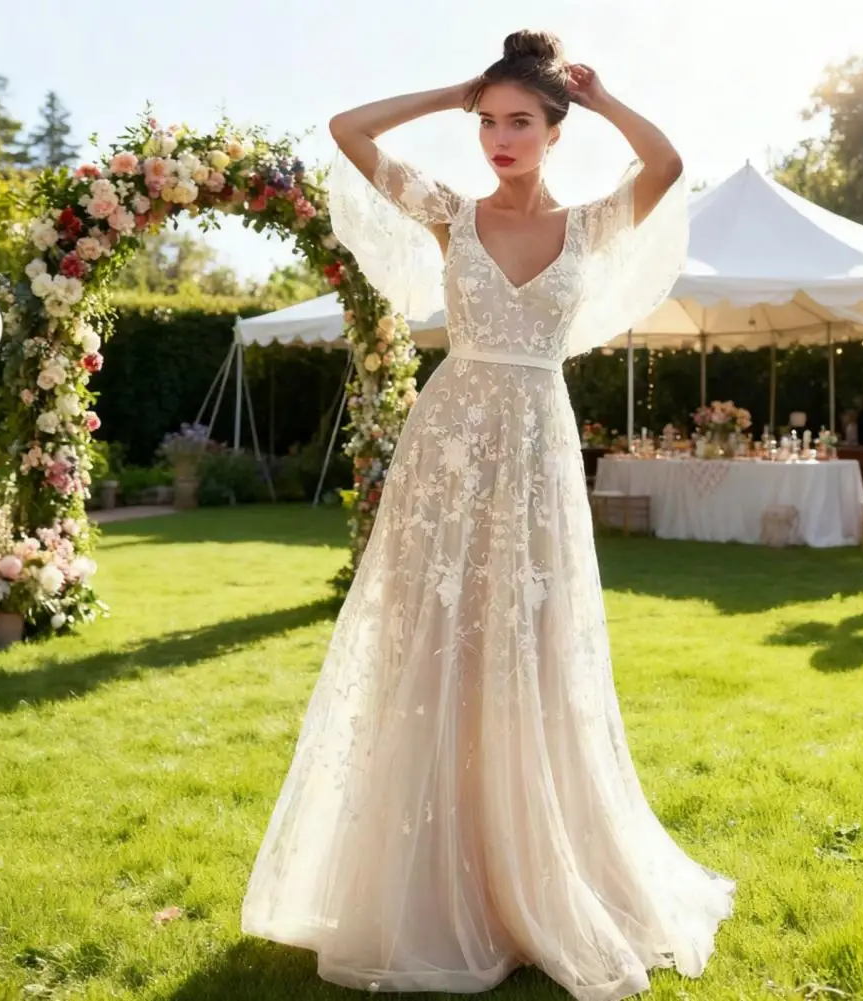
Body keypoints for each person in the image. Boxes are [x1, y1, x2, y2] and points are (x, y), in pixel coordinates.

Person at [242, 29, 735, 1000]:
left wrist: (602, 98)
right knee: (439, 639)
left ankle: (531, 867)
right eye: (488, 123)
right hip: (451, 442)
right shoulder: (448, 215)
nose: (499, 138)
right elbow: (346, 130)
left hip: (535, 447)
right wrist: (450, 92)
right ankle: (437, 869)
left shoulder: (591, 226)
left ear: (553, 131)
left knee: (533, 642)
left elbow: (668, 165)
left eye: (518, 122)